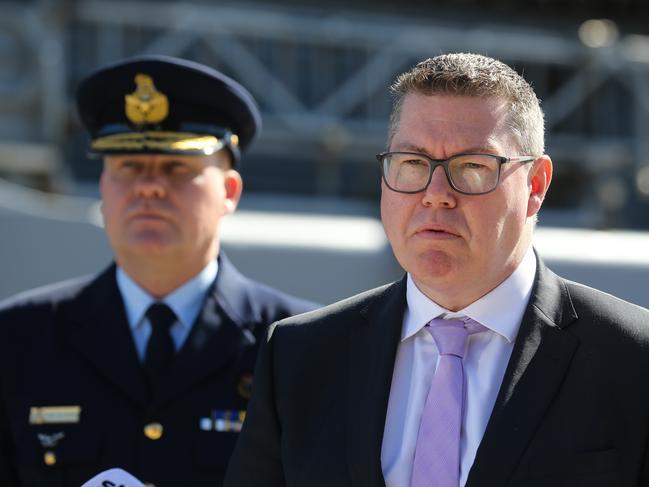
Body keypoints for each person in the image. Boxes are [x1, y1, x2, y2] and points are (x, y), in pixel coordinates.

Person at [224, 52, 649, 487]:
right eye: (412, 163)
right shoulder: (301, 355)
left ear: (536, 185)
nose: (436, 194)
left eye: (472, 167)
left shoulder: (633, 358)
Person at [0, 55, 317, 487]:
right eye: (128, 166)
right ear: (103, 188)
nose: (149, 186)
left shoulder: (304, 346)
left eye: (176, 167)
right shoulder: (18, 338)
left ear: (229, 191)